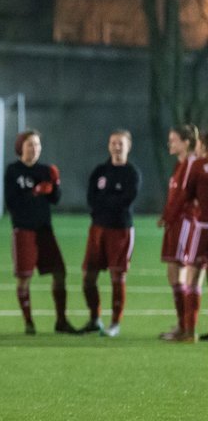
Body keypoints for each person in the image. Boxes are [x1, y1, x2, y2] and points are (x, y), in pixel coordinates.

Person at [4, 129, 79, 335]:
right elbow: (12, 202)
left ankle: (61, 321)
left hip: (44, 230)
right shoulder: (13, 171)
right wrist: (35, 192)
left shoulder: (45, 170)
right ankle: (29, 322)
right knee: (24, 277)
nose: (34, 149)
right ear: (21, 147)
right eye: (30, 145)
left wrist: (55, 185)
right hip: (23, 230)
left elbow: (55, 199)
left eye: (37, 145)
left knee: (59, 273)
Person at [81, 130, 141, 337]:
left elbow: (126, 200)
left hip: (120, 230)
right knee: (88, 276)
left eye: (121, 143)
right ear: (109, 145)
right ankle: (94, 318)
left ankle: (115, 323)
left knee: (118, 276)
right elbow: (91, 198)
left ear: (128, 146)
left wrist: (105, 202)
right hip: (98, 229)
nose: (117, 147)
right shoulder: (100, 171)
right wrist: (107, 202)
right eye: (113, 143)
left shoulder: (132, 173)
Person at [158, 125, 198, 340]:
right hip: (175, 224)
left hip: (185, 224)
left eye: (173, 140)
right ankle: (183, 326)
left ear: (186, 142)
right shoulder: (179, 165)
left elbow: (186, 197)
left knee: (180, 271)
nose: (170, 144)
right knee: (174, 272)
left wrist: (170, 215)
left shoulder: (192, 164)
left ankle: (186, 328)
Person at [175, 131, 208, 342]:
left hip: (203, 227)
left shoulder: (196, 165)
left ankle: (189, 331)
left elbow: (186, 194)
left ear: (202, 145)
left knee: (192, 277)